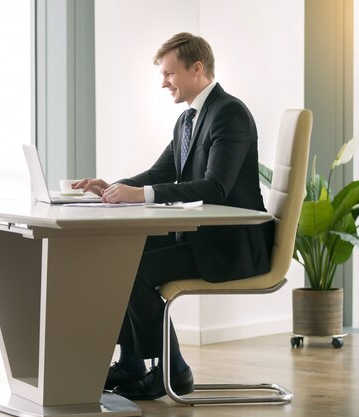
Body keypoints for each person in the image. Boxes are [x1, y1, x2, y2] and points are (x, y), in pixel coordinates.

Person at [73, 32, 274, 401]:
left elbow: (215, 188)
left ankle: (173, 370)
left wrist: (142, 196)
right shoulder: (188, 120)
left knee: (136, 269)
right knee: (118, 256)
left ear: (197, 69)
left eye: (169, 73)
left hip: (233, 244)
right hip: (202, 237)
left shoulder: (229, 113)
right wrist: (112, 187)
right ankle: (132, 361)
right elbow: (158, 174)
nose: (164, 82)